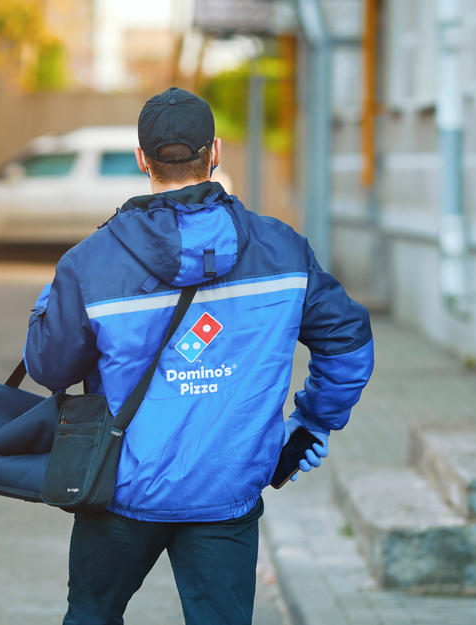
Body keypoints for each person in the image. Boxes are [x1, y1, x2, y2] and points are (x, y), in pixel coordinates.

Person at [22, 88, 375, 625]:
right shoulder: (282, 248)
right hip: (228, 492)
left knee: (91, 615)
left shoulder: (89, 262)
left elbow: (49, 368)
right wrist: (312, 422)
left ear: (142, 159)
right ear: (214, 152)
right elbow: (348, 340)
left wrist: (49, 301)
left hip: (118, 487)